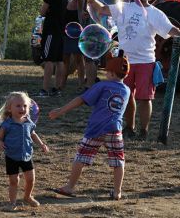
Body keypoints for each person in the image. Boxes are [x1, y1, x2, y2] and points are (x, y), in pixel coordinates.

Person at [86, 0, 180, 140]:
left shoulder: (155, 13)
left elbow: (170, 28)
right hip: (124, 61)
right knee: (126, 96)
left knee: (144, 97)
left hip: (146, 61)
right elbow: (102, 9)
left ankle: (144, 130)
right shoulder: (123, 8)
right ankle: (129, 127)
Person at [49, 51, 130, 201]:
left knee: (81, 157)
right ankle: (117, 191)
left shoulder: (102, 85)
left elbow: (81, 99)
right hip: (115, 129)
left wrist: (61, 111)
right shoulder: (126, 90)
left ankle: (70, 187)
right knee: (118, 160)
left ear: (111, 72)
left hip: (96, 129)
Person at [0, 91, 49, 210]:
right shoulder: (6, 124)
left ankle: (27, 196)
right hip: (11, 156)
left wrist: (41, 144)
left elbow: (33, 134)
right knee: (14, 181)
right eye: (18, 106)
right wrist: (0, 143)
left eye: (25, 105)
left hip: (27, 155)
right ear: (10, 108)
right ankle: (12, 203)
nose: (22, 108)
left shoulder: (28, 122)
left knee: (31, 179)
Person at [39, 0, 67, 97]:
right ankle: (57, 89)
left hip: (51, 30)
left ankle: (44, 89)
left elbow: (42, 11)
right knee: (59, 60)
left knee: (49, 60)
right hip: (61, 30)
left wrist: (47, 9)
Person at [62, 0, 86, 90]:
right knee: (65, 60)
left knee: (79, 60)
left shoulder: (81, 2)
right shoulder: (67, 2)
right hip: (66, 34)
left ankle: (81, 84)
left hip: (77, 34)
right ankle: (62, 84)